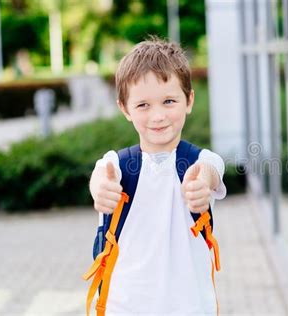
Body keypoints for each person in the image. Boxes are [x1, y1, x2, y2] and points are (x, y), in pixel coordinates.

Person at [86, 37, 226, 315]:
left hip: (190, 308)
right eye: (143, 105)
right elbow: (100, 175)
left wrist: (202, 185)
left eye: (169, 101)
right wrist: (100, 188)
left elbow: (212, 169)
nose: (158, 115)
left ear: (189, 100)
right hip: (123, 308)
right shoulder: (117, 165)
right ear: (125, 108)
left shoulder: (199, 162)